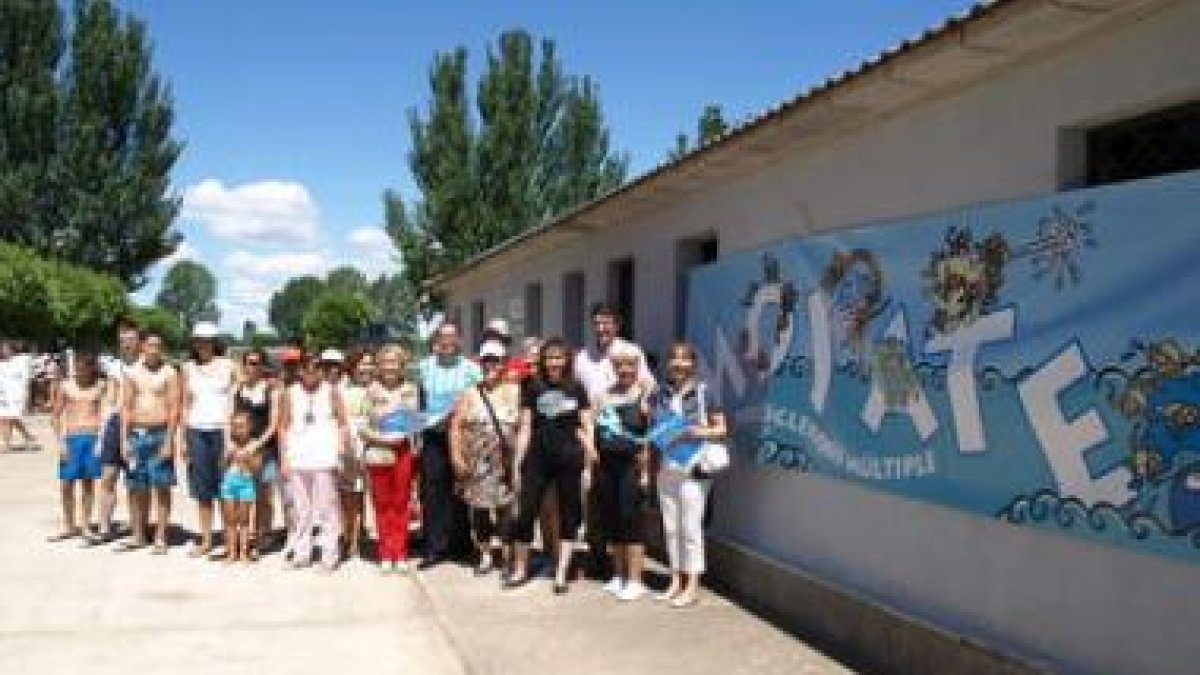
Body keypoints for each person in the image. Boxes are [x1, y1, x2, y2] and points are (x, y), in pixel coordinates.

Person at [508, 338, 597, 594]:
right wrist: (517, 462)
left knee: (569, 513)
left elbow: (586, 425)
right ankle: (520, 569)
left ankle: (561, 572)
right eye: (549, 358)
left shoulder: (576, 388)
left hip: (569, 458)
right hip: (537, 457)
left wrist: (589, 465)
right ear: (543, 361)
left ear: (567, 360)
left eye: (559, 357)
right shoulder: (532, 387)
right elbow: (525, 427)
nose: (554, 362)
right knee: (526, 513)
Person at [649, 342, 727, 608]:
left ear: (693, 364)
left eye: (685, 360)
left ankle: (692, 585)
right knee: (671, 529)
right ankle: (675, 580)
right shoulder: (659, 393)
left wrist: (693, 432)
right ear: (668, 364)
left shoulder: (705, 393)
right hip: (667, 468)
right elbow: (654, 429)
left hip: (694, 469)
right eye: (674, 359)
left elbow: (722, 429)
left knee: (690, 529)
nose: (679, 364)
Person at [450, 340, 520, 576]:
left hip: (506, 463)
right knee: (479, 512)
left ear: (504, 363)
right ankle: (486, 555)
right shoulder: (469, 393)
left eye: (495, 361)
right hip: (477, 462)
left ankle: (508, 556)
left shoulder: (515, 391)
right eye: (486, 361)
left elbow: (525, 426)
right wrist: (456, 456)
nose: (490, 365)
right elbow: (456, 427)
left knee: (506, 511)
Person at [417, 322, 481, 569]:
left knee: (461, 490)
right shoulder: (424, 367)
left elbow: (476, 397)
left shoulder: (471, 369)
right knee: (433, 492)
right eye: (442, 337)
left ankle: (461, 544)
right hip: (432, 436)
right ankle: (434, 547)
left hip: (462, 436)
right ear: (436, 341)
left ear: (459, 340)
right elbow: (418, 400)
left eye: (452, 336)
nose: (447, 341)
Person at [593, 343, 653, 601]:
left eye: (630, 365)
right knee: (613, 520)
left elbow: (652, 435)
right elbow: (595, 429)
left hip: (632, 465)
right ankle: (619, 575)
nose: (624, 370)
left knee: (632, 521)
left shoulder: (645, 396)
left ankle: (636, 579)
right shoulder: (603, 395)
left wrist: (646, 470)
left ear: (638, 368)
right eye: (619, 365)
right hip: (607, 465)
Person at [279, 352, 348, 573]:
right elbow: (282, 426)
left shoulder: (331, 392)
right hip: (298, 457)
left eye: (316, 368)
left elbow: (342, 423)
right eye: (306, 368)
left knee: (327, 509)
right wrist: (284, 459)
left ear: (321, 371)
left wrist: (339, 451)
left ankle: (329, 556)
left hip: (324, 458)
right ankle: (301, 553)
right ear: (299, 371)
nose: (311, 373)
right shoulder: (289, 393)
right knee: (301, 509)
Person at [358, 344, 422, 574]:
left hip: (404, 451)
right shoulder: (371, 390)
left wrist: (404, 434)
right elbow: (362, 427)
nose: (389, 367)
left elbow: (414, 423)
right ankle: (385, 553)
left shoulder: (411, 389)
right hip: (379, 450)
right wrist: (382, 438)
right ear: (379, 366)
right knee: (382, 503)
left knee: (402, 502)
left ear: (401, 365)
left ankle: (401, 552)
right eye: (385, 362)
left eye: (394, 362)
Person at [121, 332, 180, 554]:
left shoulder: (170, 372)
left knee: (162, 486)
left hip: (159, 433)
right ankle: (138, 534)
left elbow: (175, 409)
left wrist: (169, 440)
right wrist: (124, 440)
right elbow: (125, 408)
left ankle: (161, 536)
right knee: (135, 487)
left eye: (158, 345)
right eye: (151, 345)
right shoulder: (131, 372)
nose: (155, 349)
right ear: (142, 347)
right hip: (136, 434)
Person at [180, 321, 236, 557]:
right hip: (196, 431)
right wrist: (182, 439)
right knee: (203, 491)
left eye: (208, 340)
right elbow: (184, 404)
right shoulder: (187, 368)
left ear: (215, 342)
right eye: (199, 341)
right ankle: (206, 539)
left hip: (222, 431)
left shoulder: (229, 365)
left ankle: (228, 537)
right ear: (194, 343)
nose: (203, 345)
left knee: (226, 488)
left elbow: (239, 395)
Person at [47, 351, 107, 543]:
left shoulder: (100, 386)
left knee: (88, 484)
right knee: (66, 484)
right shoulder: (66, 387)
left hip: (92, 437)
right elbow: (55, 415)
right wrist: (60, 442)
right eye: (78, 367)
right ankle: (69, 525)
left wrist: (100, 442)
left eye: (85, 367)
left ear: (92, 369)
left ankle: (86, 526)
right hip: (71, 438)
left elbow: (105, 414)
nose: (81, 371)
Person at [93, 320, 142, 545]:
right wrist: (102, 434)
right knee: (108, 476)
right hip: (115, 423)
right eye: (123, 341)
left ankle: (137, 528)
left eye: (131, 339)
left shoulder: (145, 364)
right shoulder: (115, 366)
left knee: (136, 481)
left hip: (139, 424)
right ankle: (105, 527)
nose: (127, 344)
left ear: (138, 340)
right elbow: (110, 400)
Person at [232, 348, 282, 558]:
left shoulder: (272, 390)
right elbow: (230, 418)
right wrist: (233, 445)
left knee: (264, 496)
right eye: (249, 363)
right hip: (242, 450)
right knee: (243, 495)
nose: (253, 367)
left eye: (257, 363)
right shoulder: (237, 390)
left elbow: (273, 424)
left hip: (266, 449)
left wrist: (257, 444)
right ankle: (245, 538)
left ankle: (261, 537)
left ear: (263, 366)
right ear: (244, 365)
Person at [339, 348, 375, 562]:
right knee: (350, 495)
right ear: (352, 368)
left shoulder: (379, 390)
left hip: (376, 445)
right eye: (362, 364)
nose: (366, 368)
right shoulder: (342, 391)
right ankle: (350, 538)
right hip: (350, 446)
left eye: (370, 364)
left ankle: (359, 535)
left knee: (367, 494)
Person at [220, 411, 262, 564]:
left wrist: (248, 458)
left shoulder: (254, 443)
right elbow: (221, 466)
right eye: (235, 426)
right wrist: (227, 456)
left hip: (246, 483)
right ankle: (231, 552)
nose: (239, 430)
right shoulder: (229, 443)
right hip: (229, 483)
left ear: (250, 427)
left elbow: (257, 467)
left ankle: (244, 553)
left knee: (244, 521)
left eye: (243, 426)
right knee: (230, 520)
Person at [0, 339, 38, 452]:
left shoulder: (22, 361)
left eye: (5, 348)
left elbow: (27, 379)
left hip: (17, 394)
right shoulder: (2, 364)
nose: (3, 351)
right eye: (2, 349)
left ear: (12, 350)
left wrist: (27, 396)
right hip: (4, 395)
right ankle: (27, 436)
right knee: (6, 418)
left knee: (9, 418)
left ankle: (7, 444)